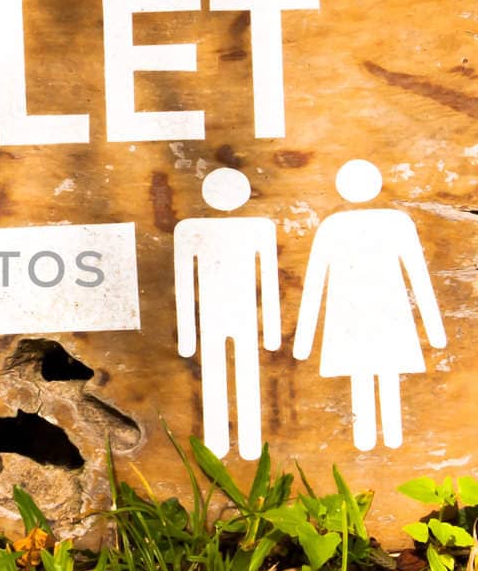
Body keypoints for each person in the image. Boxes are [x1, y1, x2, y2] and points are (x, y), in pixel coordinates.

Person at [292, 159, 447, 451]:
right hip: (365, 309)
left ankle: (382, 444)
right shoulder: (387, 222)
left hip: (374, 308)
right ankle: (375, 445)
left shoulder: (338, 225)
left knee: (370, 371)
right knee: (374, 370)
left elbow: (417, 271)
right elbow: (417, 274)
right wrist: (433, 329)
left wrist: (303, 340)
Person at [174, 168, 281, 460]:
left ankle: (249, 443)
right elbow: (183, 280)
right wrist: (186, 333)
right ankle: (217, 444)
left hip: (243, 311)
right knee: (215, 374)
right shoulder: (190, 230)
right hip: (212, 314)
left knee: (246, 372)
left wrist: (271, 328)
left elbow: (269, 278)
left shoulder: (259, 228)